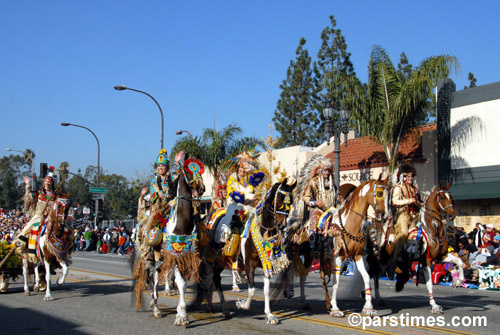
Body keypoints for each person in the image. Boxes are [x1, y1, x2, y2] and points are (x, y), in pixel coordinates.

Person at [15, 168, 57, 249]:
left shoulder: (55, 195)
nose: (47, 183)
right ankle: (20, 245)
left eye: (49, 182)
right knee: (26, 230)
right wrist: (27, 186)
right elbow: (28, 198)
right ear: (44, 182)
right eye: (46, 181)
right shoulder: (38, 192)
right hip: (39, 216)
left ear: (52, 183)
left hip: (51, 217)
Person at [302, 157, 336, 254]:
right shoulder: (313, 182)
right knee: (315, 218)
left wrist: (339, 201)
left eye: (328, 171)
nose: (327, 173)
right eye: (325, 171)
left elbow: (336, 195)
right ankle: (314, 244)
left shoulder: (332, 183)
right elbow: (306, 197)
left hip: (332, 209)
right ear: (320, 171)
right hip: (318, 209)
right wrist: (315, 202)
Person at [391, 162, 422, 264]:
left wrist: (419, 203)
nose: (410, 178)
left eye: (412, 176)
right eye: (408, 176)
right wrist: (410, 201)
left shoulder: (414, 189)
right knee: (404, 233)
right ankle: (396, 258)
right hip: (402, 214)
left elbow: (419, 203)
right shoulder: (398, 188)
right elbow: (395, 202)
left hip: (415, 216)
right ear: (402, 177)